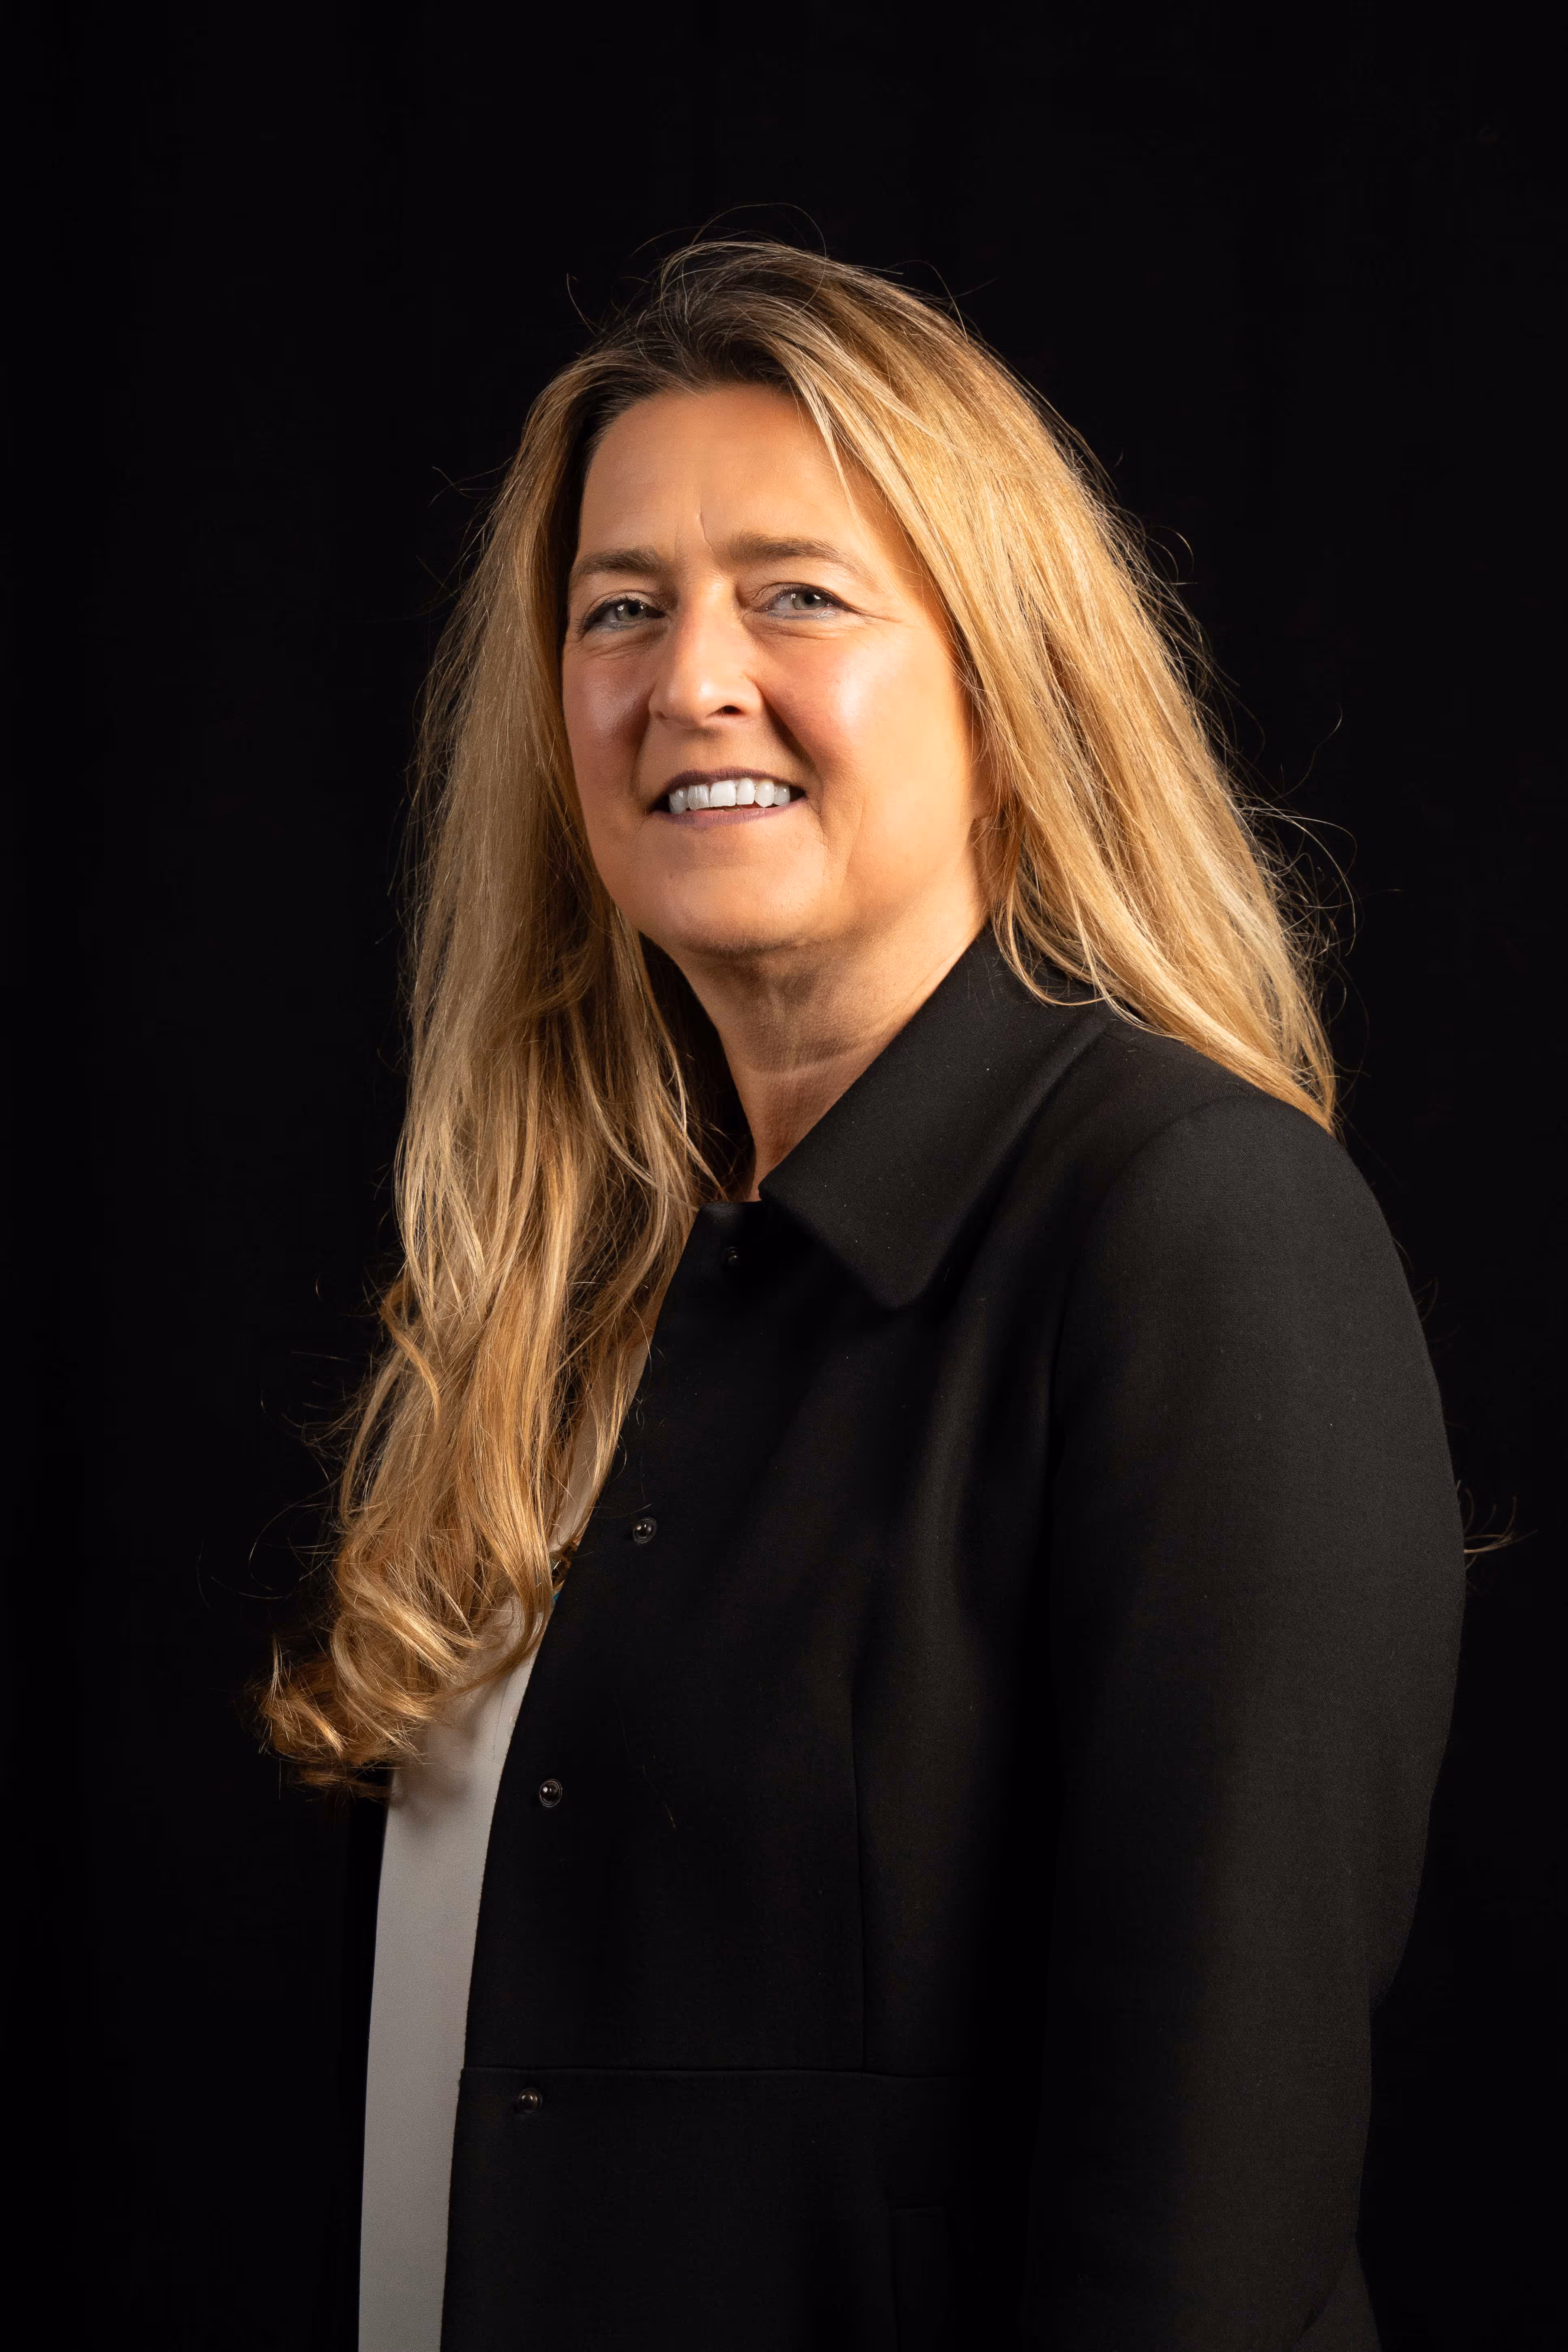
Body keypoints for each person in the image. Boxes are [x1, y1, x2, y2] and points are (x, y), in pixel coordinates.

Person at [265, 241, 1463, 2352]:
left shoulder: (1194, 1240)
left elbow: (1206, 2242)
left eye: (794, 594)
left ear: (1007, 682)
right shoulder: (590, 1289)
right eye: (618, 607)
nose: (688, 679)